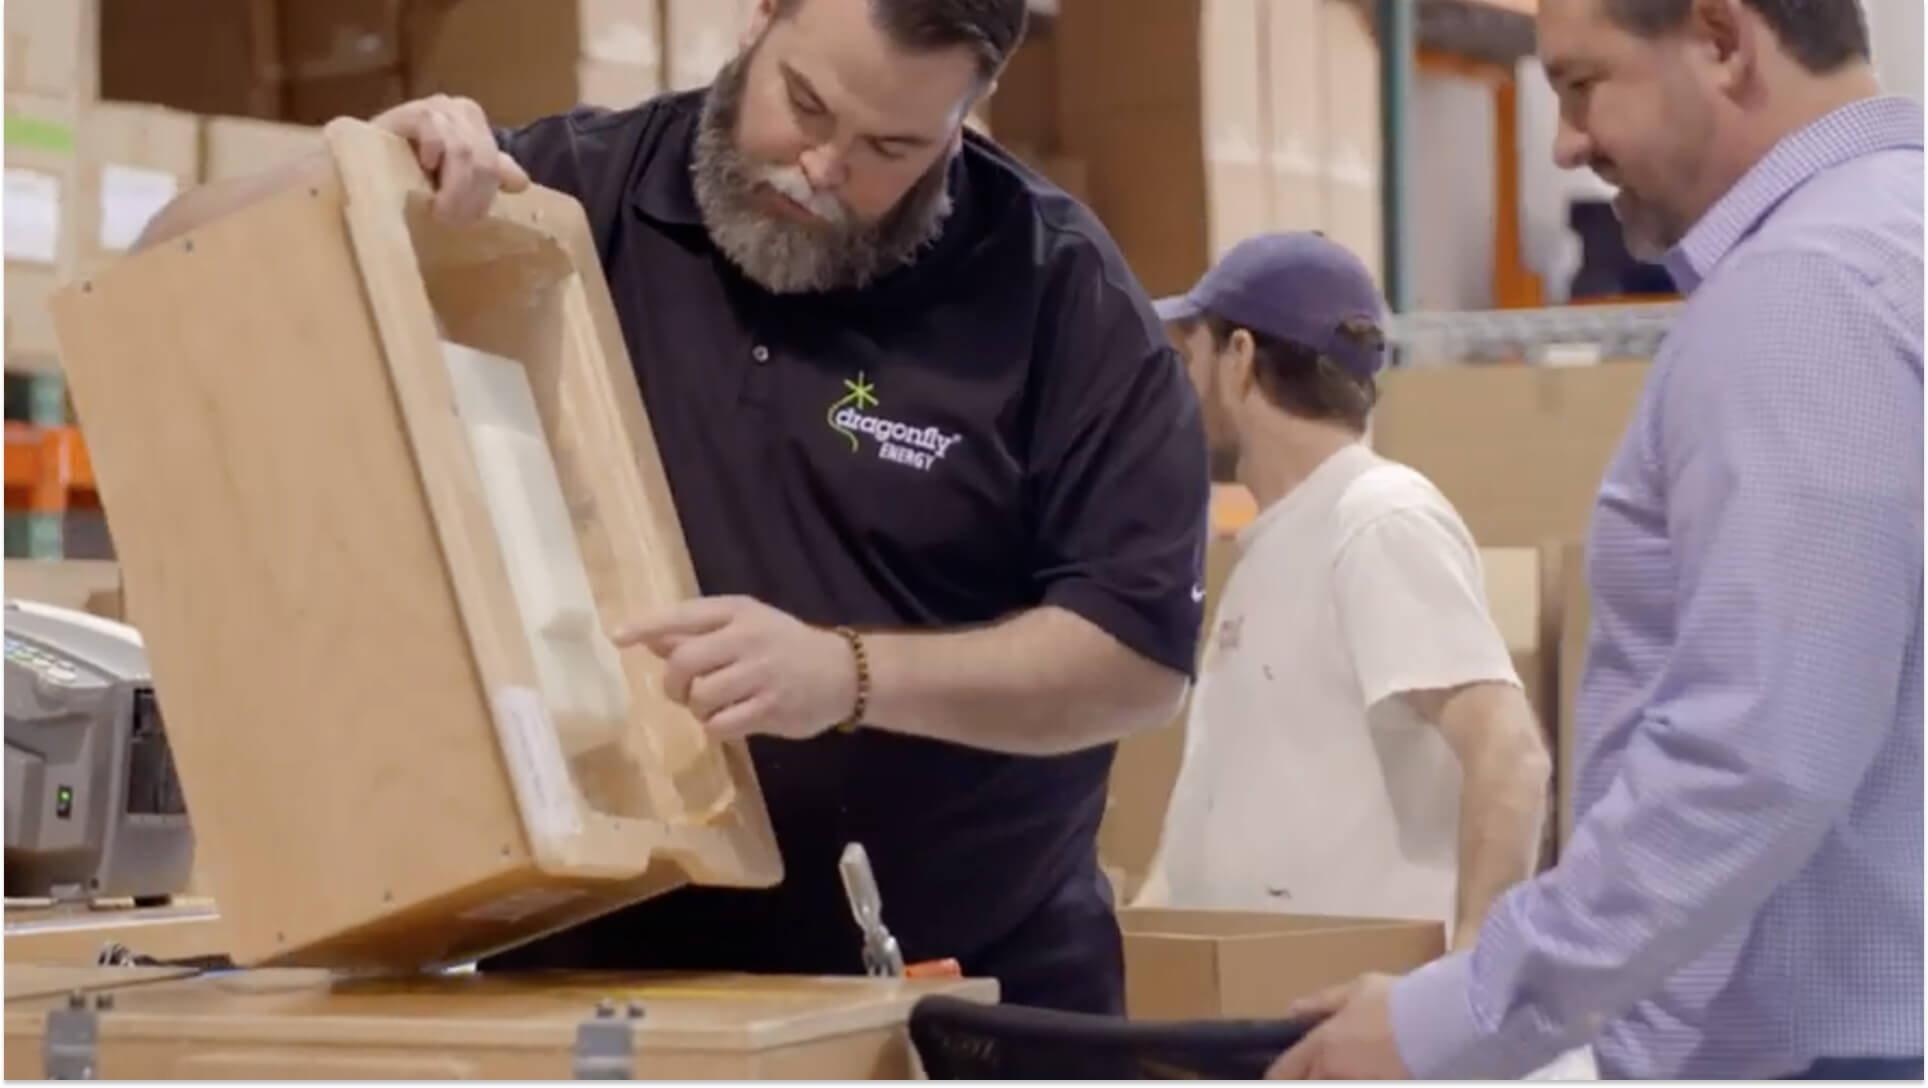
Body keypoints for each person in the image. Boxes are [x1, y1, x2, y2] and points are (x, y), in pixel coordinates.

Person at [137, 0, 1210, 1015]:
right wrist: (363, 163)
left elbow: (1133, 658)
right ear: (759, 16)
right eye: (806, 106)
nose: (823, 170)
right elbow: (167, 257)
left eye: (891, 150)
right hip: (600, 988)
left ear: (962, 120)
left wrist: (845, 674)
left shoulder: (1058, 297)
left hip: (960, 996)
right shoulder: (570, 191)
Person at [1268, 0, 1923, 1080]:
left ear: (1719, 40)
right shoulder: (1894, 238)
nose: (1565, 144)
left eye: (1580, 85)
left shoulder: (1800, 294)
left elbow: (1755, 751)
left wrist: (1460, 1015)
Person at [1132, 233, 1554, 955]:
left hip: (1368, 1031)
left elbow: (1509, 753)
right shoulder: (1282, 543)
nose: (1185, 377)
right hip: (1268, 1020)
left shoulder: (1378, 520)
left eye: (1192, 351)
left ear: (1238, 359)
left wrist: (1474, 972)